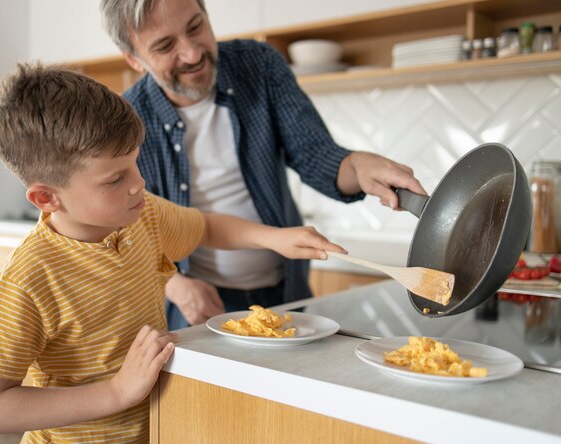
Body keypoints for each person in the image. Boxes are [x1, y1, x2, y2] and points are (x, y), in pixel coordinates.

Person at [0, 62, 346, 443]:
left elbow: (207, 226)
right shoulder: (30, 277)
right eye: (115, 178)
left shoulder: (143, 216)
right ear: (46, 198)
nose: (139, 183)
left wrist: (275, 238)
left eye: (134, 163)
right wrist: (116, 392)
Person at [100, 0, 426, 330]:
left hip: (284, 290)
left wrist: (357, 166)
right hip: (196, 305)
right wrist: (174, 286)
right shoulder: (129, 119)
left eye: (196, 27)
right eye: (166, 45)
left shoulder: (258, 65)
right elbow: (126, 231)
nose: (192, 53)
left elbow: (315, 154)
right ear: (133, 58)